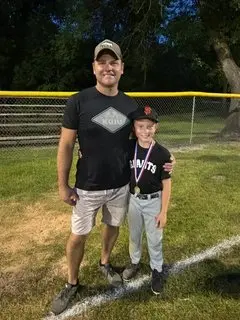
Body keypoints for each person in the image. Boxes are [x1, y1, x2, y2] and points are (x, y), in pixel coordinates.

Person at [51, 39, 174, 315]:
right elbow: (66, 145)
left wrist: (165, 157)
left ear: (122, 68)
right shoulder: (78, 101)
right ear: (94, 68)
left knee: (112, 226)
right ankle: (72, 282)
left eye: (114, 62)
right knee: (78, 235)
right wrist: (62, 185)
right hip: (87, 186)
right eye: (102, 62)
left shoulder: (130, 104)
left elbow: (143, 136)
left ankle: (105, 263)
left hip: (121, 185)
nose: (108, 67)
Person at [122, 106, 172, 295]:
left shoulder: (162, 153)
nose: (145, 131)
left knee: (155, 238)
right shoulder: (129, 147)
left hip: (153, 201)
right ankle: (134, 262)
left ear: (156, 127)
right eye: (140, 126)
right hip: (133, 199)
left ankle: (157, 269)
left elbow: (166, 184)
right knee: (134, 235)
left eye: (149, 126)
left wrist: (163, 211)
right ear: (134, 128)